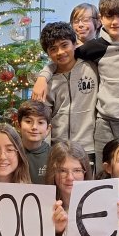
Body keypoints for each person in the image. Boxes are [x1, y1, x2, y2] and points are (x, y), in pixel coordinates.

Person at [34, 0, 119, 174]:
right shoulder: (94, 49)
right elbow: (63, 59)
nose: (115, 22)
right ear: (101, 18)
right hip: (103, 124)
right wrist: (43, 77)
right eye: (109, 16)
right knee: (103, 178)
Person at [39, 21, 97, 165]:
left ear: (75, 44)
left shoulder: (92, 68)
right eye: (53, 49)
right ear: (48, 53)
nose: (60, 52)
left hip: (88, 147)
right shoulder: (48, 81)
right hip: (58, 147)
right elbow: (44, 117)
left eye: (64, 45)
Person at [17, 100, 52, 184]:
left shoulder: (54, 156)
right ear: (18, 126)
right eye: (28, 121)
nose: (34, 127)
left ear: (48, 129)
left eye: (40, 122)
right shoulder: (12, 152)